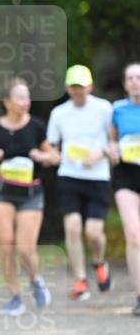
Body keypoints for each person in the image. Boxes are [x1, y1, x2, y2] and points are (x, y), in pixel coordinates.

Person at [0, 78, 53, 315]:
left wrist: (42, 156)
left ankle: (35, 279)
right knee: (6, 244)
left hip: (30, 194)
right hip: (1, 193)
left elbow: (53, 156)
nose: (26, 102)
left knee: (25, 248)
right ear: (6, 102)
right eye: (20, 98)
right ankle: (15, 296)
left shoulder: (36, 126)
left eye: (27, 97)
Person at [46, 64, 113, 301]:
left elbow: (114, 141)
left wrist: (101, 152)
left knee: (93, 232)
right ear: (67, 88)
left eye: (82, 87)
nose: (78, 91)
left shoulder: (104, 108)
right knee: (72, 226)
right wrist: (52, 155)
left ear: (90, 86)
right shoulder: (59, 113)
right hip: (69, 175)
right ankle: (80, 279)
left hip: (98, 177)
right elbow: (52, 145)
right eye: (74, 87)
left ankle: (99, 262)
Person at [108, 62, 140, 317]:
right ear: (124, 84)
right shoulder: (117, 109)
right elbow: (111, 141)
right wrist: (112, 150)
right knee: (133, 235)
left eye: (139, 77)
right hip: (126, 174)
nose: (135, 82)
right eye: (130, 78)